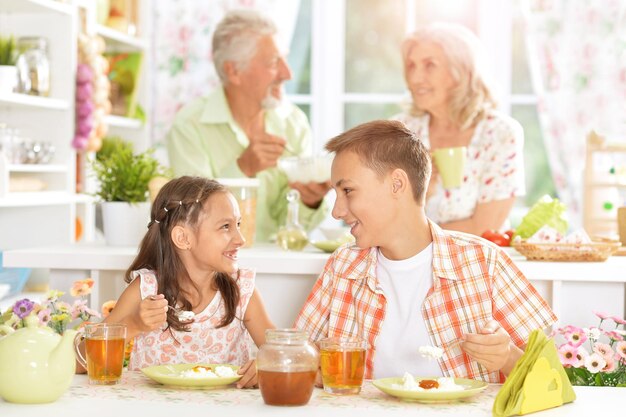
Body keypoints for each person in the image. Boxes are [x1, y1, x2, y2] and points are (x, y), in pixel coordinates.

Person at [294, 120, 556, 383]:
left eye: (348, 190)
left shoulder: (483, 262)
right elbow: (296, 358)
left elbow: (555, 378)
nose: (336, 211)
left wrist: (508, 358)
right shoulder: (343, 266)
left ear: (397, 184)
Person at [166, 9, 330, 242]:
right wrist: (243, 168)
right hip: (211, 271)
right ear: (233, 71)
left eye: (284, 58)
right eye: (274, 62)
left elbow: (290, 227)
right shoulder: (189, 126)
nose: (288, 73)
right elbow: (192, 216)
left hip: (278, 266)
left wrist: (309, 201)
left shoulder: (294, 123)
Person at [100, 176, 274, 388]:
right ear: (183, 238)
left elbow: (284, 354)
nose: (241, 239)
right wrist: (135, 324)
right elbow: (84, 359)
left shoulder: (241, 290)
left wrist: (266, 364)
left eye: (238, 224)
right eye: (226, 226)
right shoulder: (145, 290)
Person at [393, 22, 525, 235]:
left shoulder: (500, 133)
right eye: (411, 66)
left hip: (476, 262)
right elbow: (382, 216)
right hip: (405, 263)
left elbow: (485, 229)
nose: (415, 78)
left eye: (430, 65)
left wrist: (407, 234)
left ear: (461, 71)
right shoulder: (399, 131)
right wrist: (420, 191)